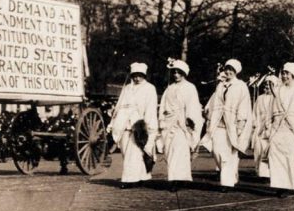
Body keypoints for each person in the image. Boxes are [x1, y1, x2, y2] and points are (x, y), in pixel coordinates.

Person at [201, 59, 252, 192]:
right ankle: (231, 175)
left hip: (232, 124)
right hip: (218, 124)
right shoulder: (220, 86)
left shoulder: (241, 86)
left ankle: (227, 182)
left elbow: (244, 105)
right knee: (217, 152)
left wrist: (240, 124)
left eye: (231, 69)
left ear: (236, 72)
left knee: (229, 154)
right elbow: (214, 102)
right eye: (227, 69)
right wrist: (208, 112)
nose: (228, 71)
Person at [108, 62, 158, 188]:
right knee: (126, 151)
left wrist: (147, 124)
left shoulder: (149, 88)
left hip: (138, 123)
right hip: (124, 122)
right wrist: (113, 122)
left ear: (144, 76)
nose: (137, 78)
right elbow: (119, 106)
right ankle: (142, 176)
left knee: (134, 152)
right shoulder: (127, 88)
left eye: (140, 75)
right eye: (134, 75)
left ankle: (129, 180)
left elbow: (150, 108)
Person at [264, 62, 294, 197]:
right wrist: (268, 124)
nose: (284, 76)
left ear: (293, 75)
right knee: (275, 155)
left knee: (290, 157)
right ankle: (279, 185)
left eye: (287, 74)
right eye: (283, 73)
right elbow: (270, 109)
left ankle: (287, 185)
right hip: (278, 127)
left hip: (293, 128)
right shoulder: (277, 90)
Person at [158, 59, 204, 191]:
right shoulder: (169, 88)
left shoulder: (190, 87)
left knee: (179, 150)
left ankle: (176, 180)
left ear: (184, 73)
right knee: (170, 150)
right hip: (169, 122)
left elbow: (193, 106)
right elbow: (163, 106)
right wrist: (162, 119)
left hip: (182, 123)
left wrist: (190, 120)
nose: (176, 75)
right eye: (174, 72)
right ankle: (177, 177)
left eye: (179, 73)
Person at [250, 75, 278, 178]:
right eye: (266, 84)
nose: (267, 86)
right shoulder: (260, 98)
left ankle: (269, 174)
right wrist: (254, 124)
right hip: (259, 129)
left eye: (270, 84)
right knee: (258, 150)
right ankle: (260, 173)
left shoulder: (277, 98)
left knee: (269, 151)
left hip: (271, 128)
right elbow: (255, 113)